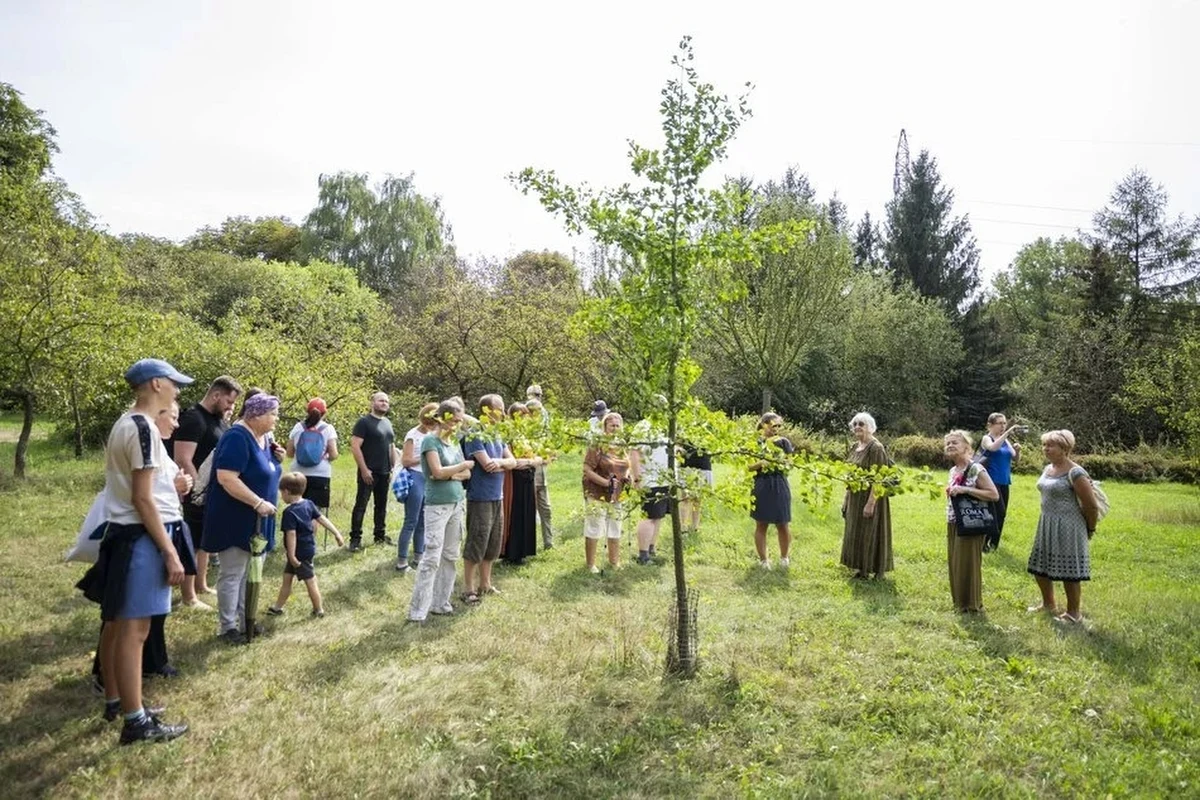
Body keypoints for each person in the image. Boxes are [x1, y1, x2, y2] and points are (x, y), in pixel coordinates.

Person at [79, 358, 191, 744]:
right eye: (174, 383)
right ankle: (136, 722)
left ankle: (117, 700)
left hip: (127, 535)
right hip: (140, 538)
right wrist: (169, 552)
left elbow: (145, 489)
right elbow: (143, 500)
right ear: (157, 384)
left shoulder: (127, 423)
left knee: (116, 624)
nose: (178, 390)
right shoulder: (142, 428)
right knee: (135, 629)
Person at [202, 393, 283, 645]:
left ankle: (244, 617)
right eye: (273, 414)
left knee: (250, 571)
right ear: (256, 415)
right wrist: (257, 502)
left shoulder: (264, 437)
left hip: (258, 518)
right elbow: (227, 478)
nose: (276, 419)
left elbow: (264, 469)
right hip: (235, 516)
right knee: (233, 572)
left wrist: (277, 459)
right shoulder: (237, 437)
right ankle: (227, 627)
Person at [173, 375, 241, 603]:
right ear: (216, 395)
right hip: (195, 493)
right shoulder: (194, 418)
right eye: (229, 402)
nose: (231, 407)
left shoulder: (219, 420)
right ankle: (188, 596)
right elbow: (183, 458)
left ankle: (201, 585)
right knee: (192, 543)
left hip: (213, 493)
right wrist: (199, 490)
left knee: (205, 541)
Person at [408, 399, 473, 623]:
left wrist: (452, 473)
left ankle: (440, 603)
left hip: (457, 502)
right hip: (437, 505)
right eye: (454, 420)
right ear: (443, 418)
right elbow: (436, 471)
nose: (457, 425)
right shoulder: (430, 441)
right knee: (432, 557)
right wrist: (460, 467)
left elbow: (466, 475)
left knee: (450, 555)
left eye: (459, 421)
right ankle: (418, 610)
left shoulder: (453, 442)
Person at [1026, 429, 1099, 624]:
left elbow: (1091, 506)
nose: (1045, 449)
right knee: (1039, 565)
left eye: (1051, 445)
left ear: (1064, 448)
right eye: (1044, 445)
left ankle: (1073, 613)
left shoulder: (1076, 473)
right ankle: (1048, 604)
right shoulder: (1048, 468)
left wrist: (1090, 528)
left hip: (1069, 526)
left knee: (1070, 571)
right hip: (1047, 522)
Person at [461, 395, 521, 602]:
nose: (504, 414)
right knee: (477, 541)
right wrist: (502, 462)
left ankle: (485, 584)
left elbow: (512, 462)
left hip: (497, 495)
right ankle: (468, 588)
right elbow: (486, 465)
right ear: (487, 411)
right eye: (500, 409)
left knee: (493, 542)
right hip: (480, 496)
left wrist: (501, 462)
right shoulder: (475, 434)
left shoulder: (498, 433)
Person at [267, 472, 345, 618]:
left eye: (281, 493)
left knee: (310, 581)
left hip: (298, 554)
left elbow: (291, 535)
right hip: (306, 549)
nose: (281, 496)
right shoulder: (309, 504)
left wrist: (291, 556)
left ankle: (319, 609)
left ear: (286, 492)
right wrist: (337, 533)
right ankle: (277, 607)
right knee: (287, 578)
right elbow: (322, 519)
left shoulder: (289, 512)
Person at [944, 429, 1000, 613]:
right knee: (956, 563)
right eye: (948, 443)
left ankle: (973, 605)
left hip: (972, 523)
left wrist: (966, 490)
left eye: (955, 442)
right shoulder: (953, 470)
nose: (950, 445)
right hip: (954, 521)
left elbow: (993, 494)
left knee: (968, 563)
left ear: (967, 447)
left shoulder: (975, 468)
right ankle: (960, 603)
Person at [840, 412, 894, 580]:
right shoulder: (854, 447)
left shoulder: (876, 448)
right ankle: (861, 569)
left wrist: (871, 503)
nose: (857, 427)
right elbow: (850, 475)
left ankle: (877, 571)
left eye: (861, 424)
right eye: (855, 424)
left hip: (872, 496)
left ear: (870, 427)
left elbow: (879, 477)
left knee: (871, 532)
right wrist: (846, 499)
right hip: (855, 495)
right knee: (856, 531)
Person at [581, 411, 630, 573]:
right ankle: (590, 565)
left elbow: (626, 465)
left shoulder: (622, 444)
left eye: (618, 425)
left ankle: (614, 561)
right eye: (612, 425)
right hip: (597, 491)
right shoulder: (597, 444)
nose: (615, 428)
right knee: (595, 525)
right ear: (605, 427)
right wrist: (605, 483)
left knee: (615, 525)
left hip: (617, 492)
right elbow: (587, 469)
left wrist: (627, 477)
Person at [348, 391, 398, 551]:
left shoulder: (388, 423)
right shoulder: (364, 422)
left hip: (384, 472)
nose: (384, 403)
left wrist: (392, 469)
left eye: (386, 401)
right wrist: (364, 470)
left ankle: (380, 536)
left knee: (381, 506)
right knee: (361, 505)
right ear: (372, 403)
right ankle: (355, 539)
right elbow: (355, 446)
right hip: (368, 472)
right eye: (381, 400)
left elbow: (391, 447)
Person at [395, 402, 439, 572]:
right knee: (411, 520)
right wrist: (427, 457)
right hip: (415, 477)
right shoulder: (413, 435)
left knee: (423, 520)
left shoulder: (434, 434)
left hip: (428, 479)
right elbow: (406, 460)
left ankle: (419, 556)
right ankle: (401, 561)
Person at [750, 413, 794, 569]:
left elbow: (790, 464)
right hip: (761, 484)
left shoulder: (784, 442)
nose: (776, 429)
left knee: (783, 523)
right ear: (763, 424)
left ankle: (784, 558)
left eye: (779, 426)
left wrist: (779, 462)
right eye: (773, 425)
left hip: (779, 483)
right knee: (761, 524)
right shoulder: (756, 442)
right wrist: (763, 462)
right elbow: (748, 466)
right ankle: (763, 560)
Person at [630, 401, 672, 566]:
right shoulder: (643, 427)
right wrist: (637, 477)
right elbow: (634, 453)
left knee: (658, 516)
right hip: (650, 480)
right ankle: (643, 555)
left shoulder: (664, 427)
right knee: (649, 516)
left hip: (664, 479)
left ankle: (651, 549)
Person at [502, 402, 543, 566]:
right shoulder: (509, 436)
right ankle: (512, 553)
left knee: (527, 512)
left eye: (525, 415)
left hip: (528, 477)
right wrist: (531, 461)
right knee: (515, 513)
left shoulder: (527, 436)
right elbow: (514, 462)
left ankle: (524, 550)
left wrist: (532, 461)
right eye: (519, 415)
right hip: (515, 478)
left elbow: (540, 457)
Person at [285, 397, 338, 513]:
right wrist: (326, 457)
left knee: (296, 509)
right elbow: (333, 454)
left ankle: (295, 531)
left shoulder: (298, 427)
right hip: (320, 474)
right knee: (314, 511)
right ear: (325, 413)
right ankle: (311, 532)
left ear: (307, 411)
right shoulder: (328, 429)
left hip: (297, 474)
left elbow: (289, 453)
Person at [979, 412, 1023, 552]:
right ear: (990, 425)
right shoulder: (987, 438)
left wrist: (1018, 450)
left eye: (1005, 423)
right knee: (996, 511)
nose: (1003, 426)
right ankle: (984, 542)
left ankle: (994, 544)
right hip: (991, 481)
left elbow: (1015, 458)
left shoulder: (1006, 440)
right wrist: (1008, 433)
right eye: (1000, 423)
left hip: (1005, 481)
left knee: (1002, 514)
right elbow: (992, 448)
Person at [524, 394, 554, 550]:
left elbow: (550, 452)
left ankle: (549, 543)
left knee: (546, 509)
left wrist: (550, 455)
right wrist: (541, 458)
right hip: (528, 476)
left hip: (542, 475)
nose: (539, 415)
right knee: (529, 511)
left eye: (540, 411)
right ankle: (529, 545)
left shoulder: (543, 431)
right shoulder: (522, 431)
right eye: (535, 412)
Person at [678, 441, 713, 534]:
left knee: (697, 499)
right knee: (686, 498)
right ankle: (684, 527)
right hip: (687, 463)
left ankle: (694, 527)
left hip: (702, 463)